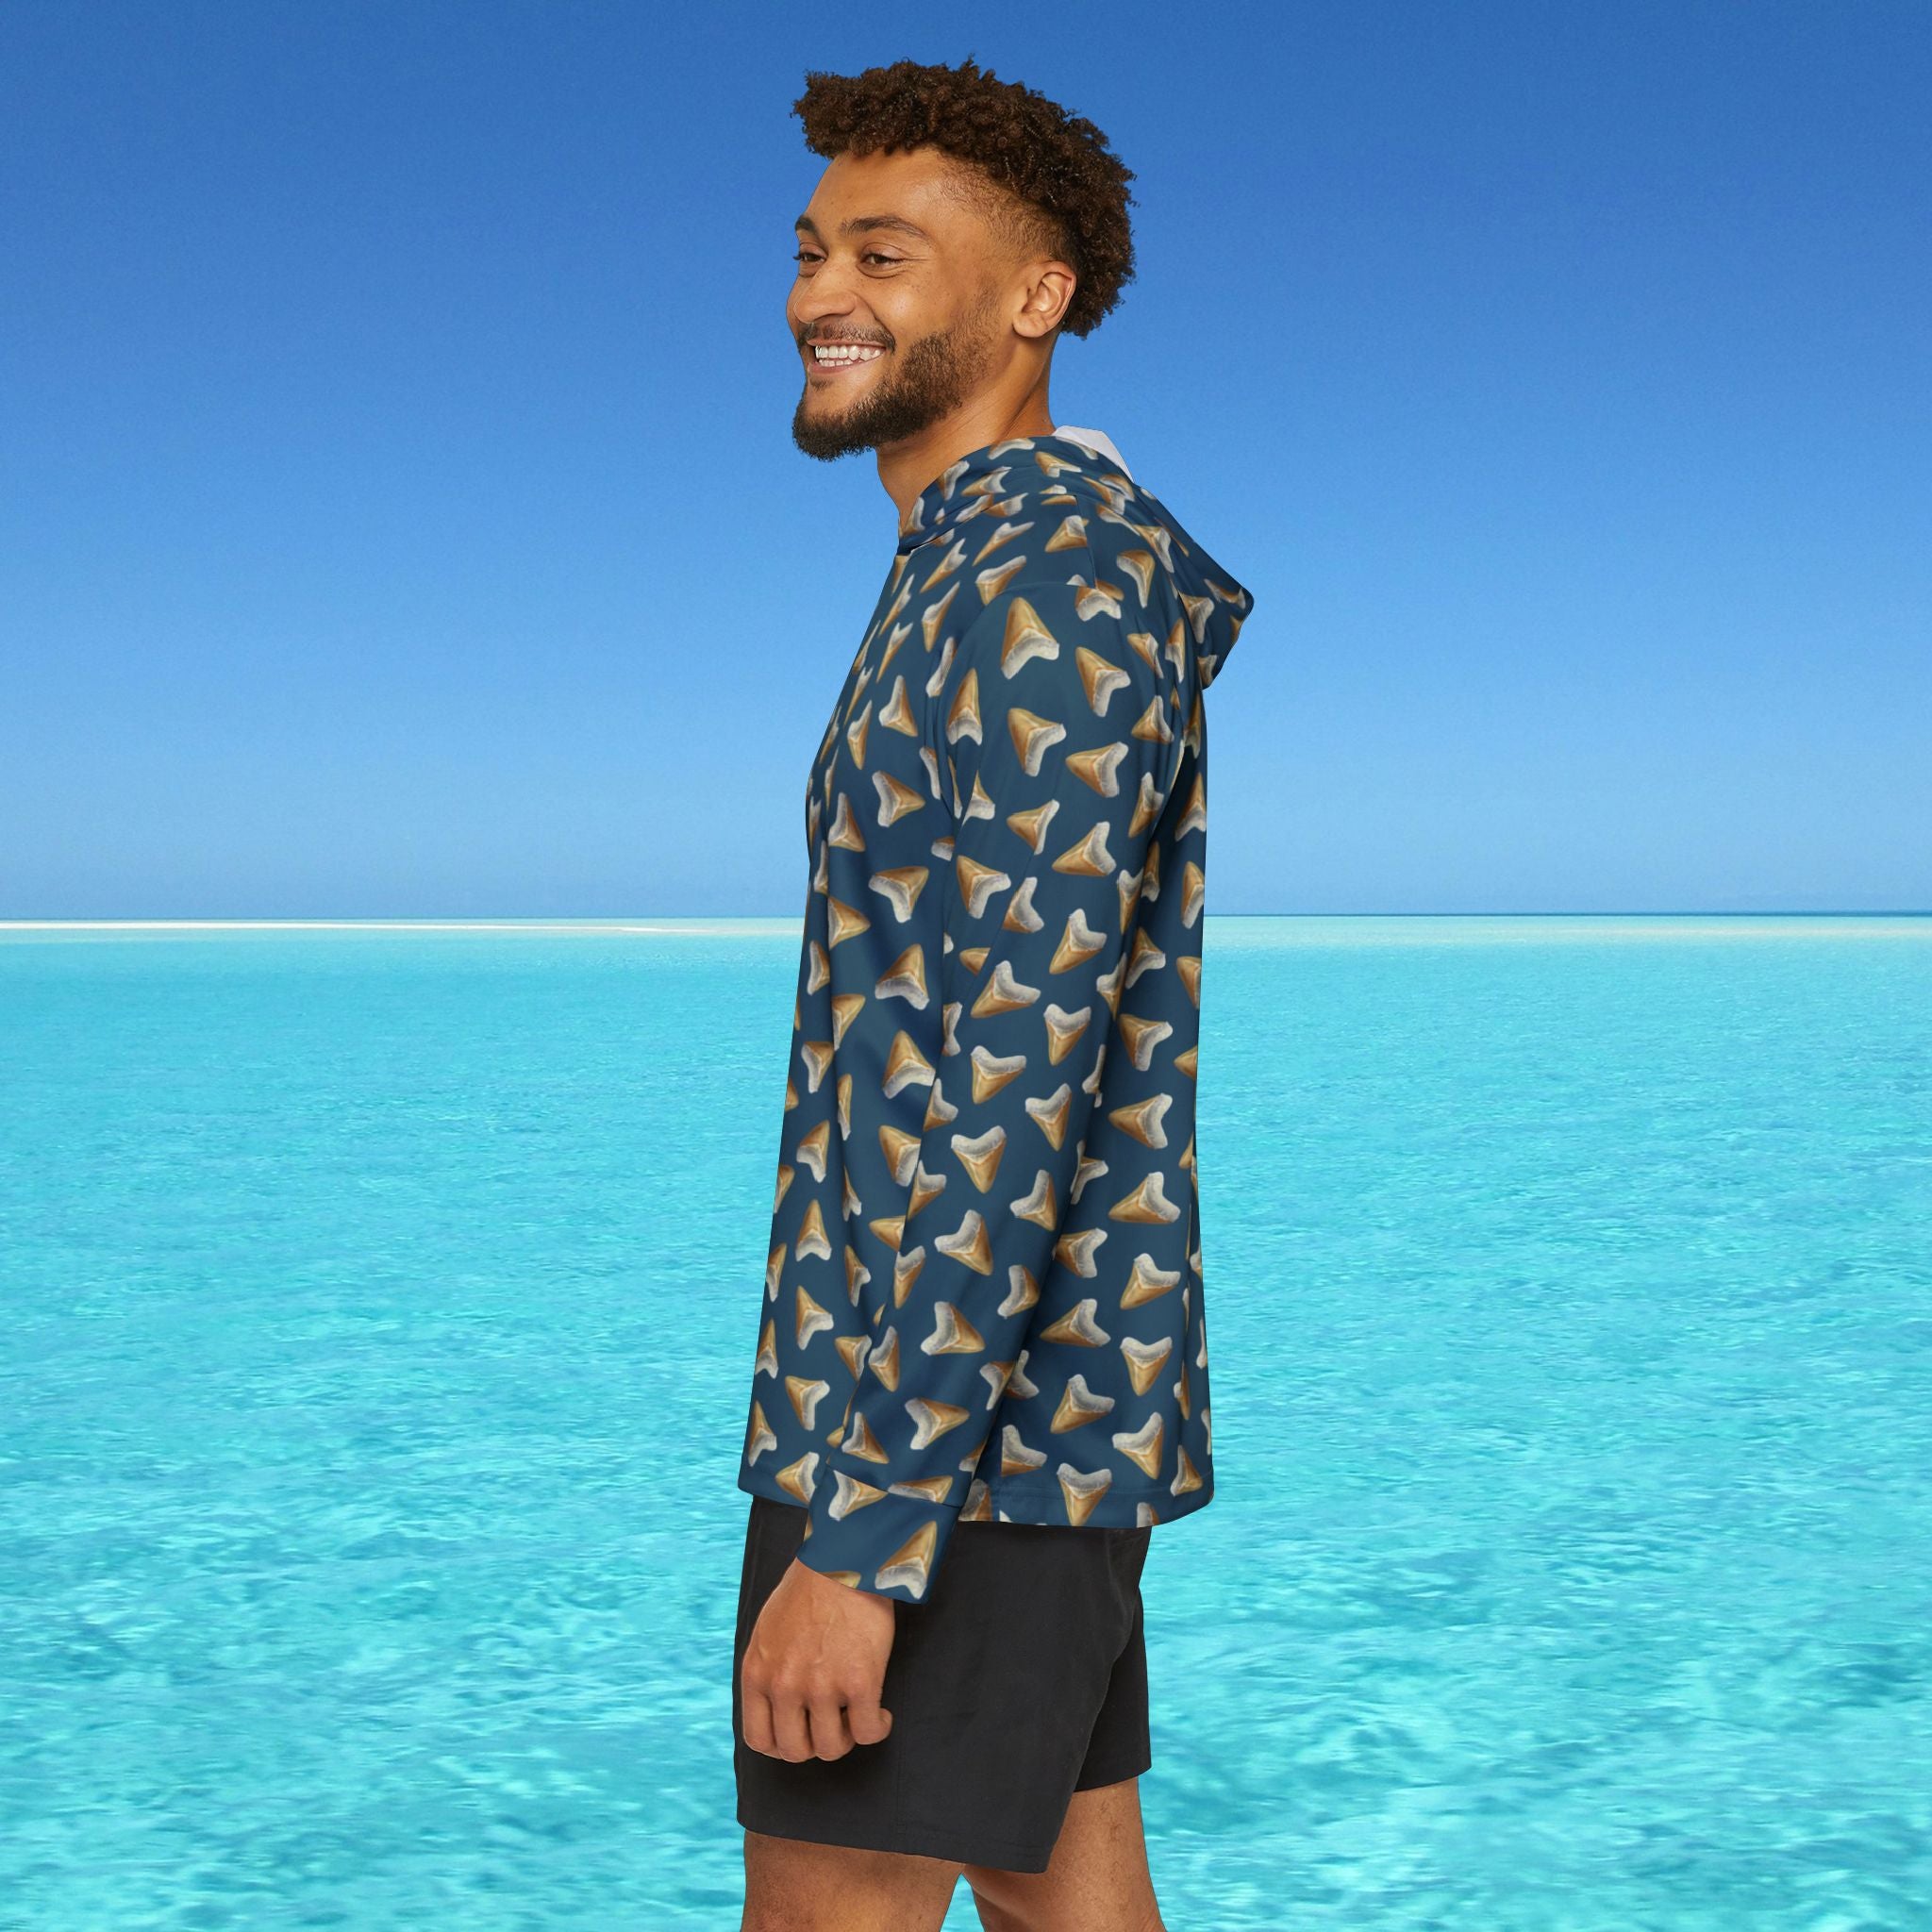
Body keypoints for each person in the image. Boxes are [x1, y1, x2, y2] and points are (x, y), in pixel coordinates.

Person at [730, 55, 1254, 1932]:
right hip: (1009, 1424)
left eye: (882, 252)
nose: (816, 293)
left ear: (1035, 300)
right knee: (1068, 1895)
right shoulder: (969, 565)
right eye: (807, 250)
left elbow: (1016, 1078)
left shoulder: (1041, 581)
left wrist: (866, 1538)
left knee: (828, 1910)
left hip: (949, 1442)